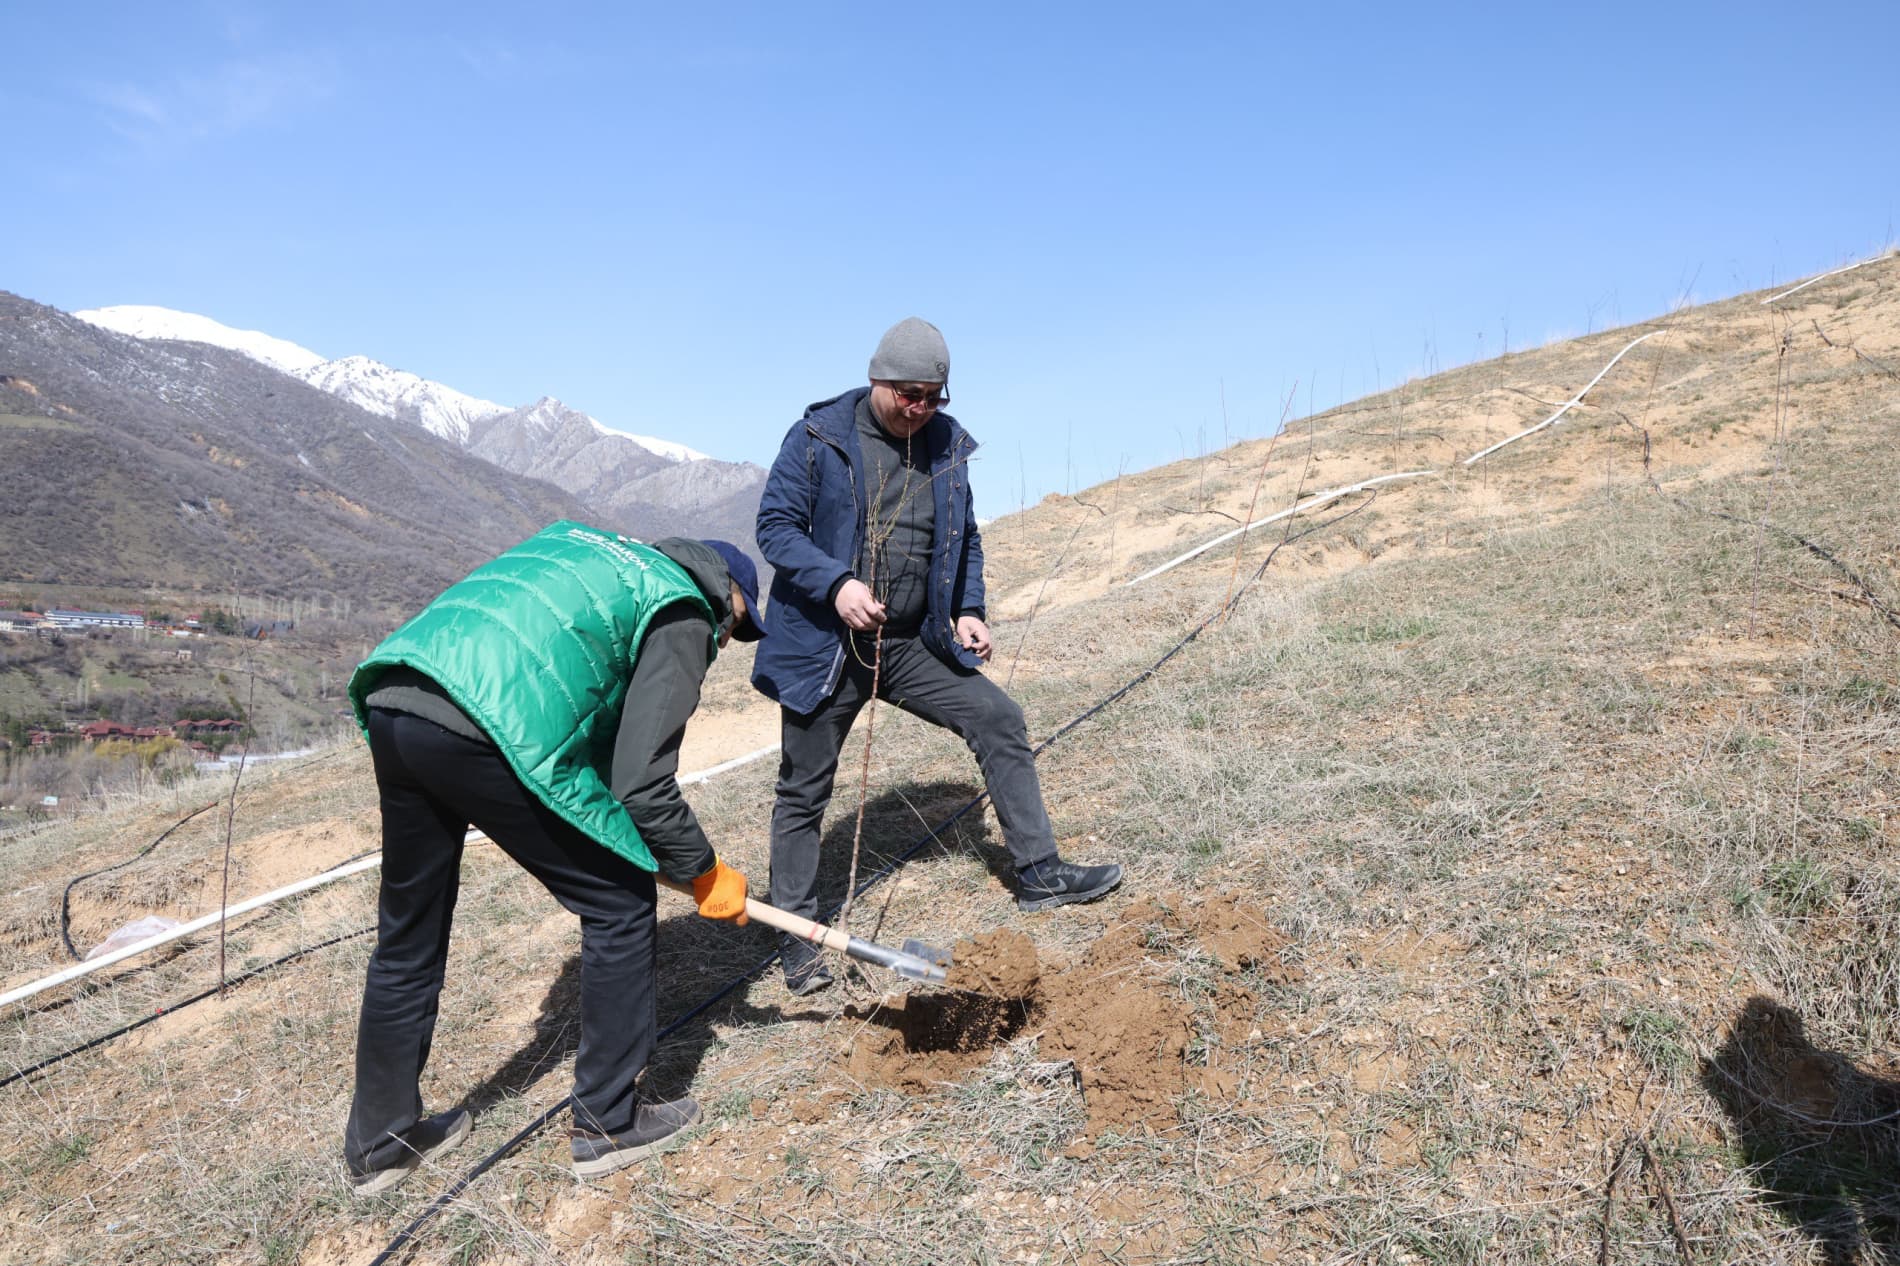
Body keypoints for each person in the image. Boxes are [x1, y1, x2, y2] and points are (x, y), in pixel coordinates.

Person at [341, 523, 765, 1194]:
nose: (723, 644)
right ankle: (608, 1124)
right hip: (487, 719)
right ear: (729, 593)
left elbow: (585, 725)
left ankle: (381, 1144)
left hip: (402, 693)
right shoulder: (683, 606)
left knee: (407, 936)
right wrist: (704, 871)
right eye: (735, 628)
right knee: (621, 904)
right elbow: (644, 786)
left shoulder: (596, 556)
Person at [752, 318, 1122, 995]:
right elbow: (774, 528)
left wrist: (968, 609)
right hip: (829, 648)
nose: (920, 409)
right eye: (908, 394)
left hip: (911, 644)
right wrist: (836, 586)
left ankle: (1040, 875)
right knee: (804, 789)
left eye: (933, 396)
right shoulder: (818, 438)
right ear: (876, 380)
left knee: (999, 717)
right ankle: (799, 940)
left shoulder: (946, 445)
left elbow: (966, 538)